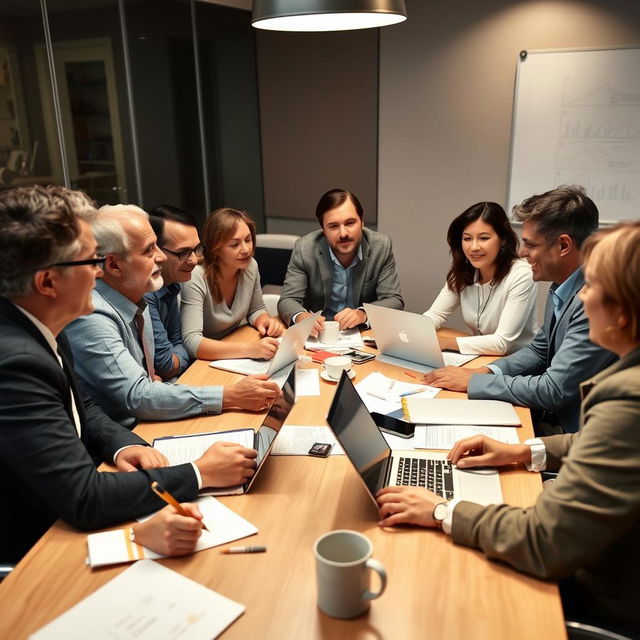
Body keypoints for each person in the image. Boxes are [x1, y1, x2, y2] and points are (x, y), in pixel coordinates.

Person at [377, 221, 640, 634]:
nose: (583, 296)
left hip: (602, 591)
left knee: (437, 595)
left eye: (593, 285)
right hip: (601, 551)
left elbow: (543, 542)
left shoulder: (628, 399)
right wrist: (522, 451)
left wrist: (443, 510)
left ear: (622, 312)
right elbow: (594, 440)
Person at [0, 185, 259, 564]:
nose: (98, 272)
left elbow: (81, 405)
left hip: (73, 510)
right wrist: (199, 473)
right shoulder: (14, 365)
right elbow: (83, 498)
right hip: (41, 549)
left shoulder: (40, 326)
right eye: (90, 262)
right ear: (47, 283)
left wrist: (122, 444)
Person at [64, 204, 279, 429]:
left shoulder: (140, 296)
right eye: (149, 250)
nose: (160, 257)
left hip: (149, 417)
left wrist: (153, 383)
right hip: (126, 432)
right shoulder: (91, 316)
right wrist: (230, 395)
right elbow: (139, 395)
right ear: (113, 265)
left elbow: (157, 375)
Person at [422, 186, 616, 434]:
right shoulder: (563, 284)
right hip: (560, 421)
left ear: (564, 246)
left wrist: (475, 381)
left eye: (530, 244)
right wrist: (487, 370)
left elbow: (552, 390)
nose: (522, 253)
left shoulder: (594, 300)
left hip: (579, 435)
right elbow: (539, 349)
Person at [278, 188, 403, 335]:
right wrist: (301, 317)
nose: (343, 233)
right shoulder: (305, 248)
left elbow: (394, 300)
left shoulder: (380, 246)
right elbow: (288, 300)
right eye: (333, 226)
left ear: (362, 221)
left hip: (363, 334)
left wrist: (363, 314)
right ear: (323, 229)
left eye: (350, 223)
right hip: (319, 335)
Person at [424, 202, 537, 356]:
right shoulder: (463, 271)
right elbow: (436, 315)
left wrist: (445, 343)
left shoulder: (521, 274)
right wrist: (411, 332)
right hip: (478, 356)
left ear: (502, 239)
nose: (474, 247)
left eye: (484, 238)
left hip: (516, 363)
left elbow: (501, 343)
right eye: (467, 239)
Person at [180, 207, 284, 361]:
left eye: (248, 240)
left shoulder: (250, 266)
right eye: (234, 244)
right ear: (215, 250)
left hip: (235, 348)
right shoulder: (196, 276)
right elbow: (192, 342)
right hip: (204, 361)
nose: (246, 249)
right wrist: (249, 349)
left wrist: (265, 321)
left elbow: (256, 309)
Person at [146, 204, 201, 380]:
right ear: (156, 251)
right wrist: (180, 356)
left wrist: (178, 357)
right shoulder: (146, 291)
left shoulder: (172, 284)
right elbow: (166, 365)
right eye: (183, 253)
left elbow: (179, 344)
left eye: (195, 250)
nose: (193, 260)